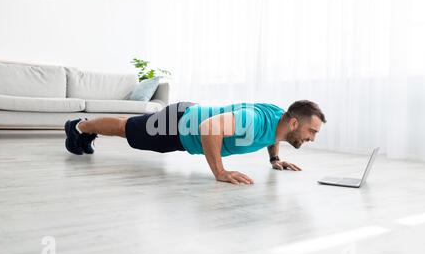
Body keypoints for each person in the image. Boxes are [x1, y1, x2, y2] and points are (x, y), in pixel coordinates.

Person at [64, 100, 326, 185]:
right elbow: (209, 128)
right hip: (177, 127)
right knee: (126, 129)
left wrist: (274, 158)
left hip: (184, 118)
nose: (312, 138)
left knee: (131, 125)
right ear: (294, 123)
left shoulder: (280, 120)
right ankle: (78, 126)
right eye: (311, 131)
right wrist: (220, 172)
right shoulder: (254, 120)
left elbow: (274, 135)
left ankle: (86, 129)